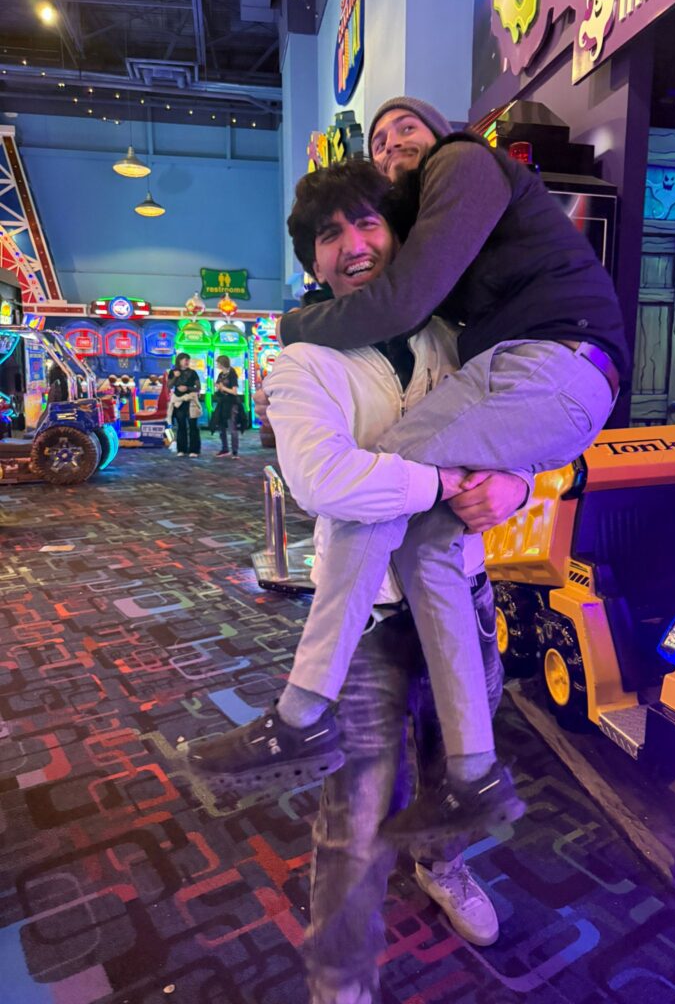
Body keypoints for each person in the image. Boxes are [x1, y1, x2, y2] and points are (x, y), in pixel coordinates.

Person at [194, 97, 629, 843]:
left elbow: (411, 314)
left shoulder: (461, 165)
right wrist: (506, 479)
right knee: (425, 536)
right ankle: (474, 775)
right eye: (379, 137)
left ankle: (300, 715)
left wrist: (290, 321)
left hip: (553, 365)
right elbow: (349, 471)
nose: (393, 142)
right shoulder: (407, 329)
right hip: (534, 388)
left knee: (384, 475)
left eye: (408, 129)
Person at [189, 163, 528, 1003]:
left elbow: (521, 425)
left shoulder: (453, 335)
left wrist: (514, 483)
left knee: (459, 769)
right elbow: (323, 480)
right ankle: (340, 982)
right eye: (330, 234)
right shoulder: (304, 360)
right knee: (356, 818)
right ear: (313, 259)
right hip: (367, 624)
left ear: (399, 233)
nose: (354, 245)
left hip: (464, 601)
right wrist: (441, 482)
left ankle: (443, 864)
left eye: (368, 222)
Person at [167, 352, 202, 458]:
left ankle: (194, 450)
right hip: (179, 402)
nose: (187, 362)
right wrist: (175, 377)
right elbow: (169, 386)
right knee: (181, 425)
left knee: (193, 426)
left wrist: (187, 388)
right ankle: (181, 449)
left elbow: (198, 387)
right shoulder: (173, 372)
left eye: (188, 360)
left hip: (191, 400)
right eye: (185, 360)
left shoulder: (193, 372)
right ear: (179, 360)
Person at [212, 354, 243, 459]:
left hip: (231, 403)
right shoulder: (221, 374)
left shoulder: (232, 374)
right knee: (221, 427)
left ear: (222, 363)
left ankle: (235, 452)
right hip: (222, 403)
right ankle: (224, 449)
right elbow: (219, 386)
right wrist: (218, 387)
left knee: (232, 427)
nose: (217, 365)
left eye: (218, 363)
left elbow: (234, 391)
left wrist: (223, 388)